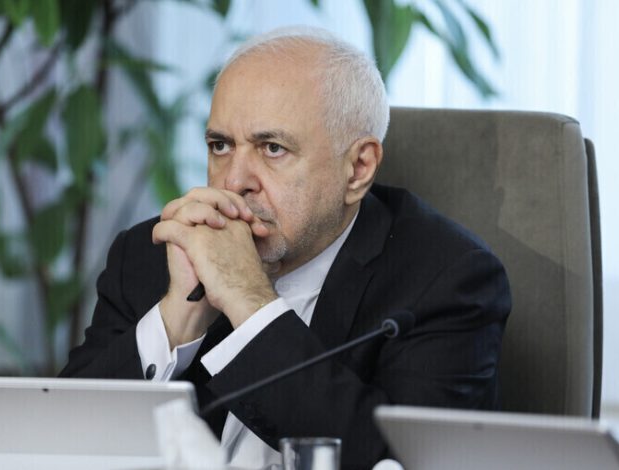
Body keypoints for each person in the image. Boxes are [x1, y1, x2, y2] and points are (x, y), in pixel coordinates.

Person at [60, 26, 511, 469]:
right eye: (220, 145)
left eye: (272, 148)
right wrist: (178, 319)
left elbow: (396, 460)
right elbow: (58, 442)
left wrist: (248, 301)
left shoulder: (446, 280)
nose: (234, 181)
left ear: (358, 168)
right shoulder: (154, 252)